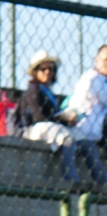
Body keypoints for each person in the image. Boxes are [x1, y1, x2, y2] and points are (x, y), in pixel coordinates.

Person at [17, 52, 94, 184]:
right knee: (66, 138)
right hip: (32, 128)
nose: (48, 72)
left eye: (51, 68)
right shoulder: (34, 90)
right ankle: (71, 179)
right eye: (43, 69)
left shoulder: (48, 92)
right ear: (35, 72)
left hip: (51, 126)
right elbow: (39, 117)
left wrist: (69, 120)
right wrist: (63, 120)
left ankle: (102, 180)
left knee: (85, 141)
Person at [60, 45, 107, 189]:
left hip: (90, 133)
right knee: (91, 154)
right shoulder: (93, 78)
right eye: (105, 60)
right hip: (81, 131)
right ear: (96, 60)